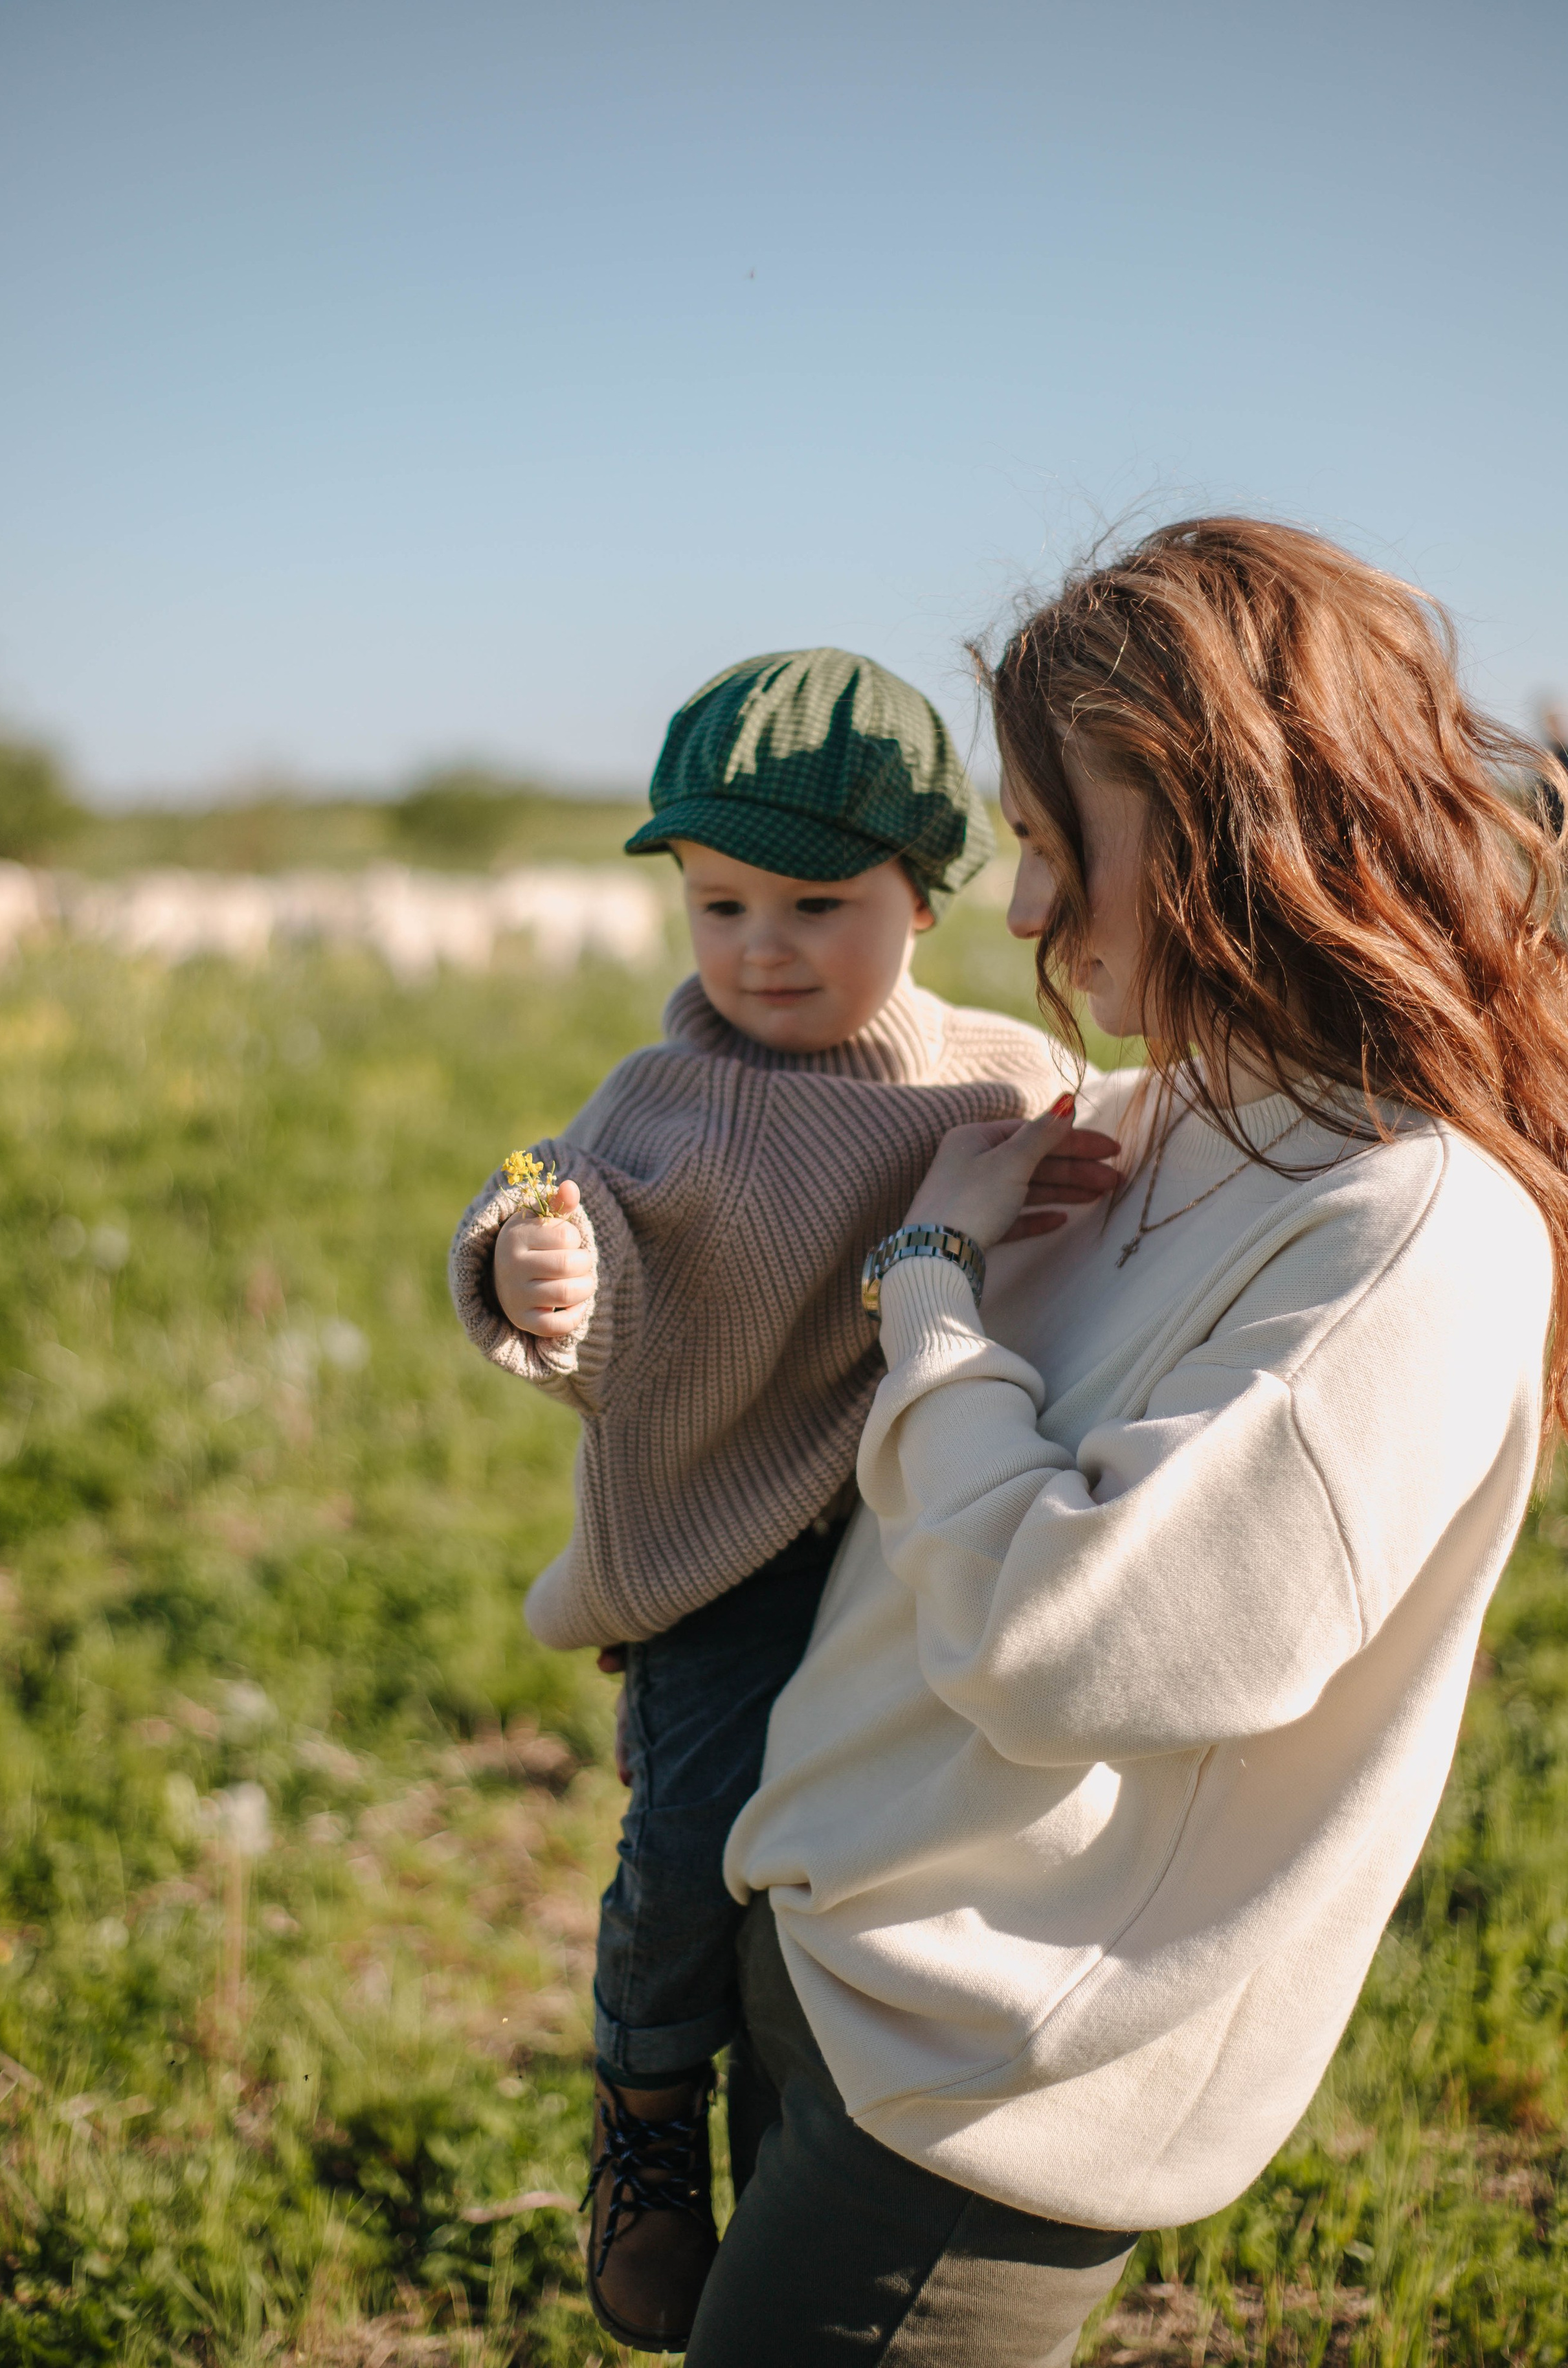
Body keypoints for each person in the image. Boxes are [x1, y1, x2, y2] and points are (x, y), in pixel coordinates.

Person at [695, 519, 1568, 2367]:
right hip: (847, 1975)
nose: (1015, 912)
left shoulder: (1409, 1228)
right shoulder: (1139, 1124)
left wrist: (930, 1282)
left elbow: (1065, 1641)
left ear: (1226, 820)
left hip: (982, 2087)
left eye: (1042, 835)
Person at [449, 648, 1094, 2349]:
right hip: (728, 1559)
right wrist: (532, 1262)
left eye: (814, 903)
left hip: (919, 1537)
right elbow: (542, 1192)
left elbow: (1080, 1200)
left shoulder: (995, 1077)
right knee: (687, 1849)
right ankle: (646, 2113)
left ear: (923, 896)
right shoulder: (668, 1095)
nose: (759, 949)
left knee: (861, 1884)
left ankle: (816, 2125)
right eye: (717, 903)